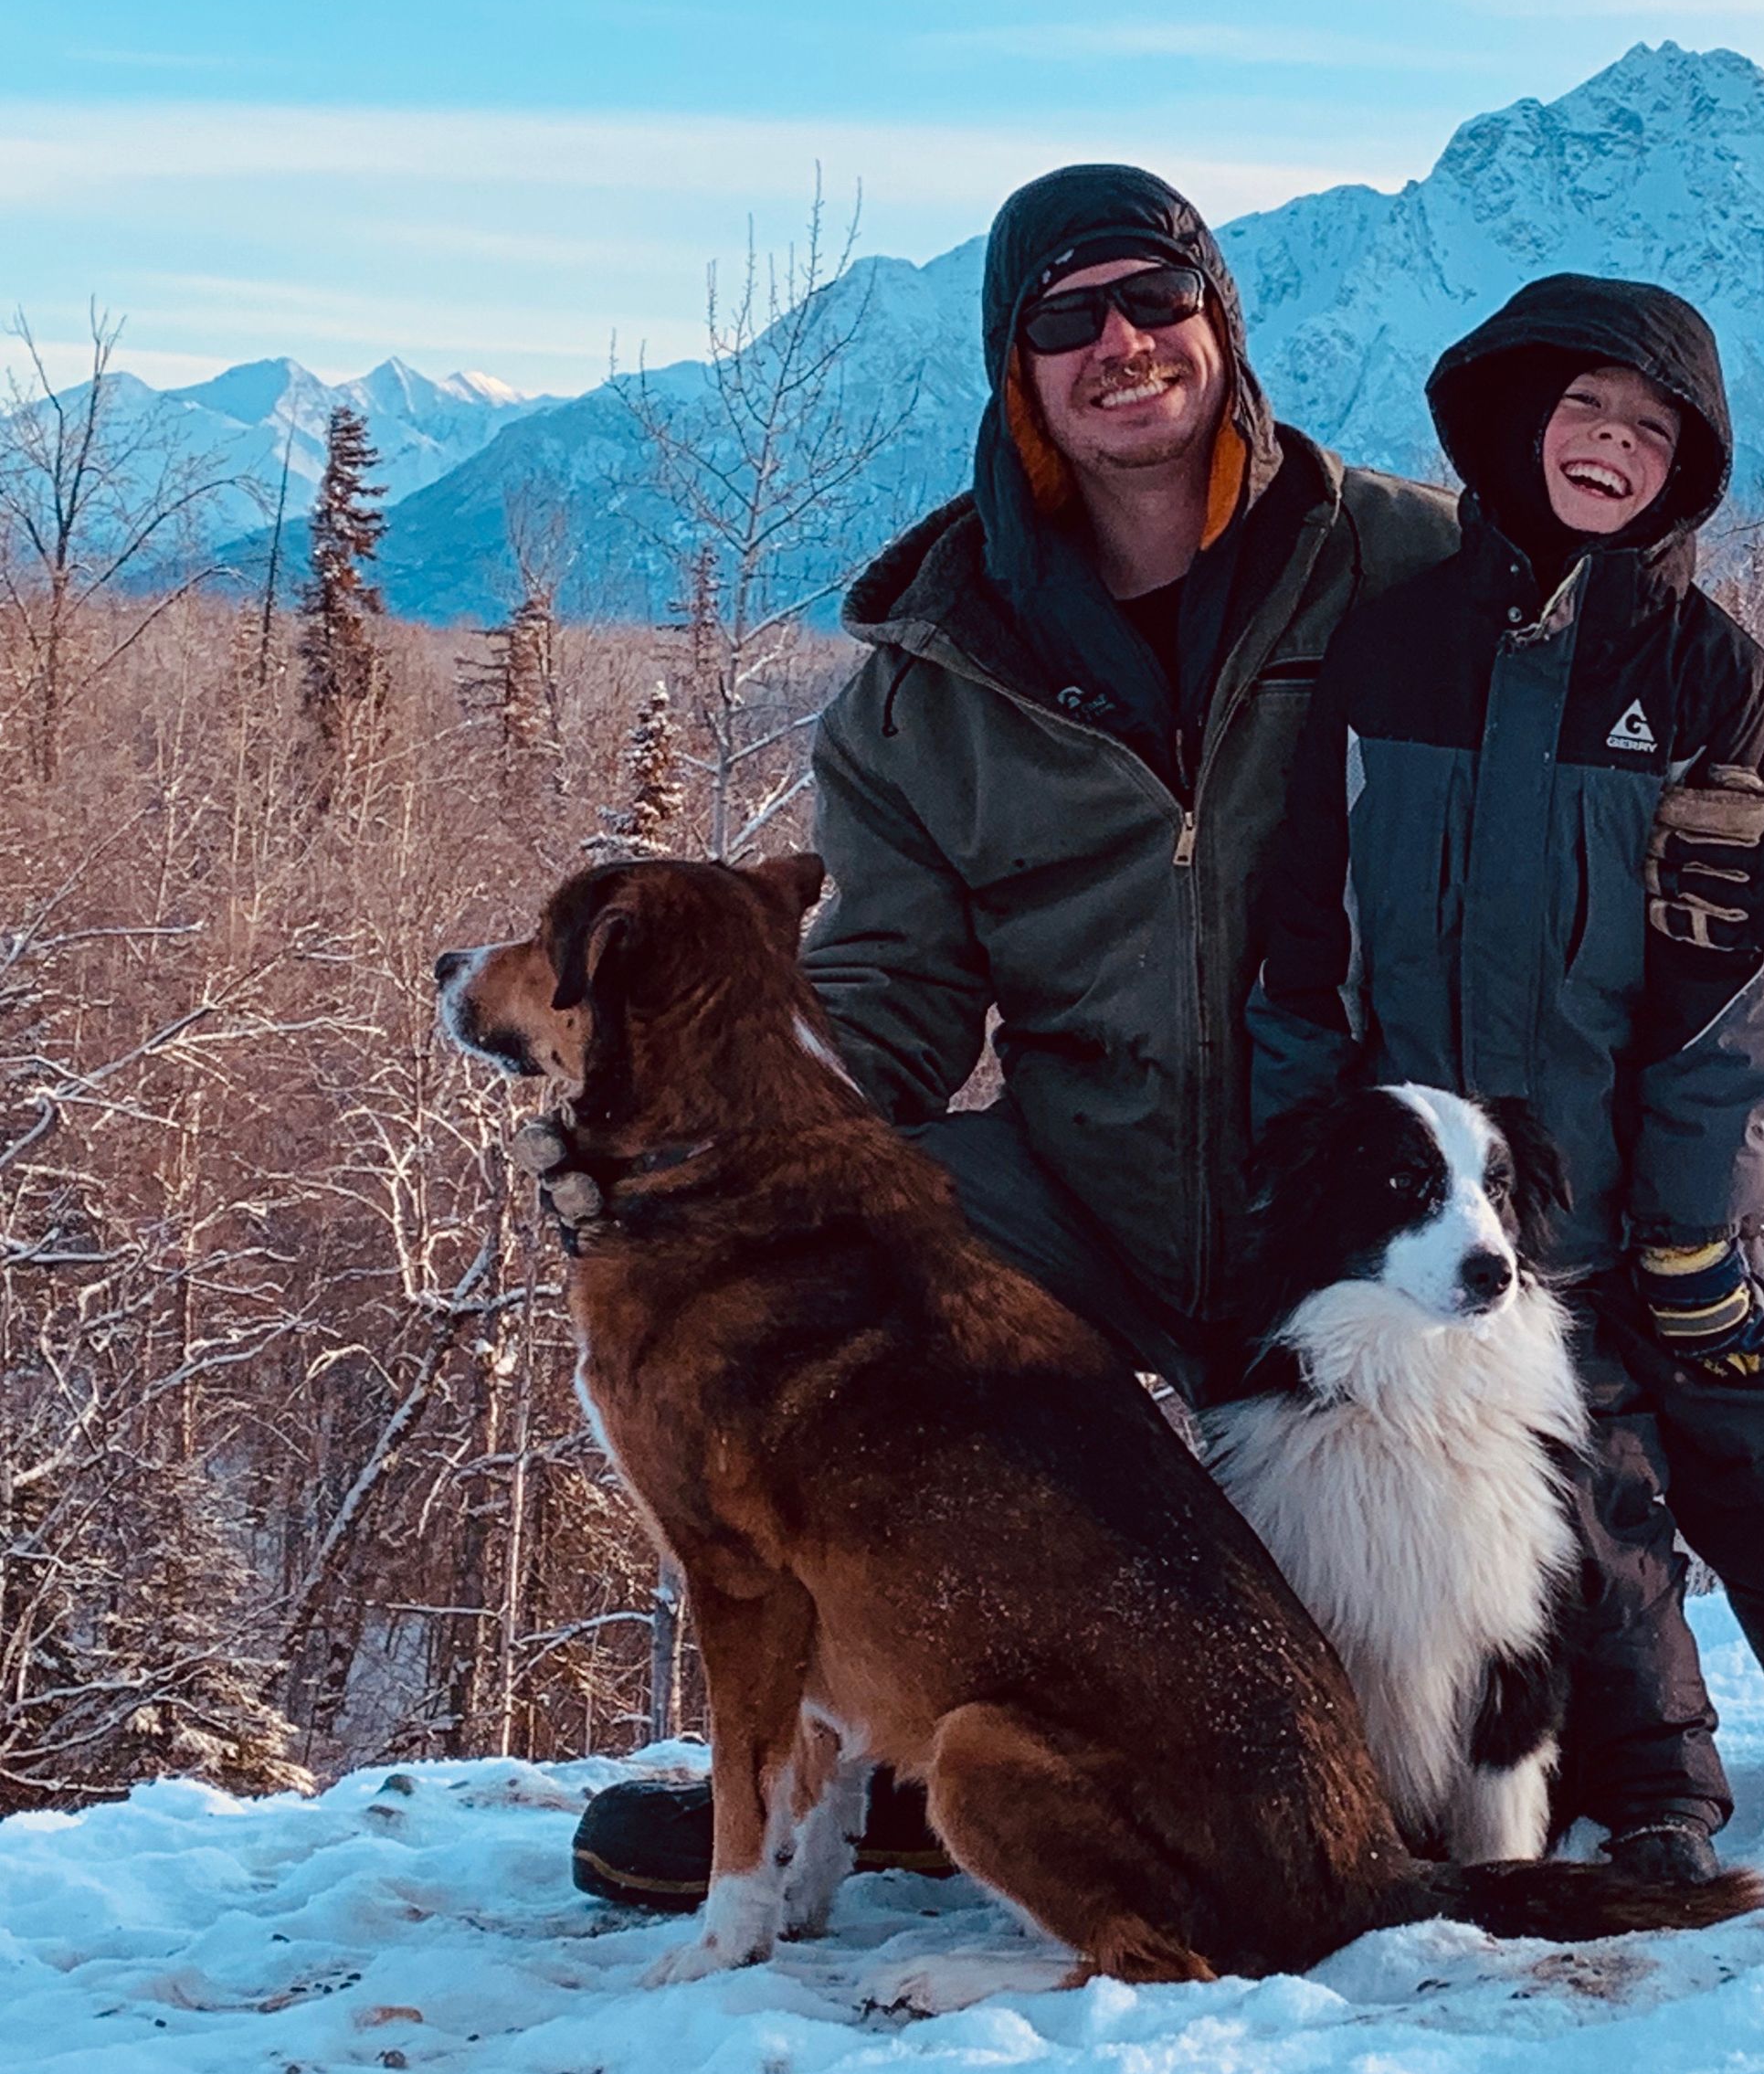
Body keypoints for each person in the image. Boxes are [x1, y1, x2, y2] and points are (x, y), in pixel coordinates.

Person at [566, 163, 1458, 1908]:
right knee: (803, 1293)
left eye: (1159, 299)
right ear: (1017, 364)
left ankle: (1641, 1722)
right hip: (1085, 1190)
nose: (1123, 343)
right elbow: (888, 1008)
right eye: (1070, 318)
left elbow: (1603, 688)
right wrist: (678, 1157)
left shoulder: (1399, 562)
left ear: (1222, 321)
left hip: (1348, 1206)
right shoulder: (925, 683)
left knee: (1560, 1320)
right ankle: (875, 1733)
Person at [1249, 272, 1764, 1888]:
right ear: (1512, 423)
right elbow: (1306, 932)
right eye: (1583, 410)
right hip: (1453, 1203)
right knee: (1588, 1484)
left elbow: (1721, 972)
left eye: (1649, 427)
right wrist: (1297, 1154)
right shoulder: (1390, 654)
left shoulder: (1701, 671)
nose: (1610, 445)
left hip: (1639, 1180)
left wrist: (1697, 1216)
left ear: (1684, 468)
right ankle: (1663, 1793)